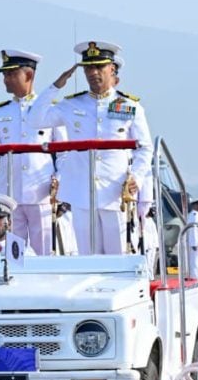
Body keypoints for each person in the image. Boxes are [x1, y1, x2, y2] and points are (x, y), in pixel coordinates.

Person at [32, 41, 154, 254]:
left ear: (112, 69)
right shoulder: (72, 105)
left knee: (118, 256)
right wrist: (56, 86)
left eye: (99, 67)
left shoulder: (130, 106)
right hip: (81, 192)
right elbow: (35, 119)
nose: (93, 72)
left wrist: (136, 176)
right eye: (88, 67)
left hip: (115, 191)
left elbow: (145, 148)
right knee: (88, 257)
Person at [0, 49, 62, 255]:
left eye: (11, 74)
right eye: (5, 75)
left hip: (41, 192)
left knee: (43, 254)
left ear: (29, 75)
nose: (5, 79)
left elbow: (65, 153)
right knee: (12, 254)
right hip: (9, 194)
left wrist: (59, 179)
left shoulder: (50, 109)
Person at [188, 198, 198, 280]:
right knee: (195, 262)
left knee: (195, 261)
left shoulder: (195, 214)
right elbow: (193, 228)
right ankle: (194, 279)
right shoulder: (194, 215)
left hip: (197, 242)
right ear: (194, 205)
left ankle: (193, 278)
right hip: (196, 243)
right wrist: (194, 243)